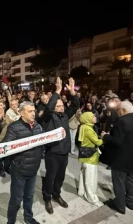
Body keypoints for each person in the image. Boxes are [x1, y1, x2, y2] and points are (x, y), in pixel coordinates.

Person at [0, 101, 43, 224]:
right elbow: (5, 145)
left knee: (29, 197)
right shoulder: (14, 128)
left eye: (34, 111)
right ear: (21, 113)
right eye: (30, 111)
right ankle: (11, 221)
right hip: (20, 169)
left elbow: (43, 139)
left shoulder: (37, 125)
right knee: (16, 199)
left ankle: (28, 218)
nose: (33, 113)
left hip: (33, 169)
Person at [41, 77, 79, 214]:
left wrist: (72, 92)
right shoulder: (48, 117)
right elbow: (49, 109)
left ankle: (56, 195)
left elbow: (75, 106)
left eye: (62, 105)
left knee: (60, 176)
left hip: (64, 153)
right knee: (50, 177)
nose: (61, 107)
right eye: (58, 106)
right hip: (53, 153)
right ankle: (47, 198)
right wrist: (57, 91)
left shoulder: (64, 116)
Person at [101, 101, 133, 214]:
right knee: (130, 180)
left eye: (118, 110)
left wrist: (105, 136)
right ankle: (130, 201)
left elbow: (117, 141)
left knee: (119, 182)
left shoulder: (122, 121)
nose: (117, 112)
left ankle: (120, 205)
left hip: (120, 159)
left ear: (124, 110)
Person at [76, 112, 104, 206]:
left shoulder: (83, 127)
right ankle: (92, 198)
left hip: (85, 156)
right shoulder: (88, 129)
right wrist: (104, 137)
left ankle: (82, 191)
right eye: (93, 116)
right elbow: (98, 142)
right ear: (87, 118)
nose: (95, 117)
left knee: (84, 175)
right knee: (90, 179)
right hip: (90, 158)